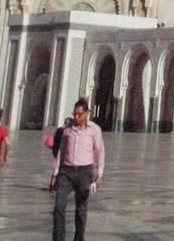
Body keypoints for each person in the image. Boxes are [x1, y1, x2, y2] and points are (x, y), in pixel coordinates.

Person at [49, 98, 104, 241]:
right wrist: (55, 173)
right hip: (66, 172)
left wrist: (99, 174)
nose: (76, 117)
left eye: (79, 114)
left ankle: (79, 238)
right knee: (59, 207)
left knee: (81, 209)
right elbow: (61, 151)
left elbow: (100, 152)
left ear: (86, 114)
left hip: (85, 172)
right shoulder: (67, 129)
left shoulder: (95, 130)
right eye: (75, 114)